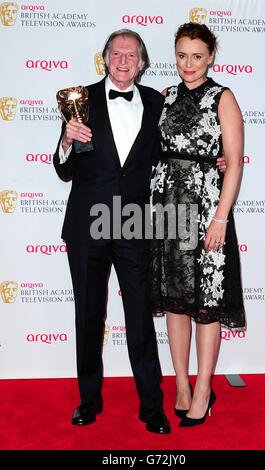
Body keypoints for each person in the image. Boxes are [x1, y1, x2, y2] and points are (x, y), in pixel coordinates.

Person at [53, 29, 171, 434]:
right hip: (87, 224)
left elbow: (172, 154)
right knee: (88, 313)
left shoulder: (159, 101)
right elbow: (65, 169)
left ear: (142, 63)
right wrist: (66, 142)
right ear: (105, 59)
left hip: (135, 223)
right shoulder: (78, 100)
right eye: (116, 53)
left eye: (132, 54)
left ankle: (151, 405)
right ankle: (88, 400)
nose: (124, 60)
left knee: (139, 315)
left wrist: (218, 163)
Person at [150, 22, 246, 427]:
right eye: (181, 55)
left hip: (207, 211)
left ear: (210, 58)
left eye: (197, 56)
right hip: (167, 212)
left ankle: (204, 389)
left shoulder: (223, 97)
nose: (187, 64)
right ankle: (181, 385)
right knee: (175, 302)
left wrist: (221, 217)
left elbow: (234, 162)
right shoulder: (164, 97)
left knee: (206, 305)